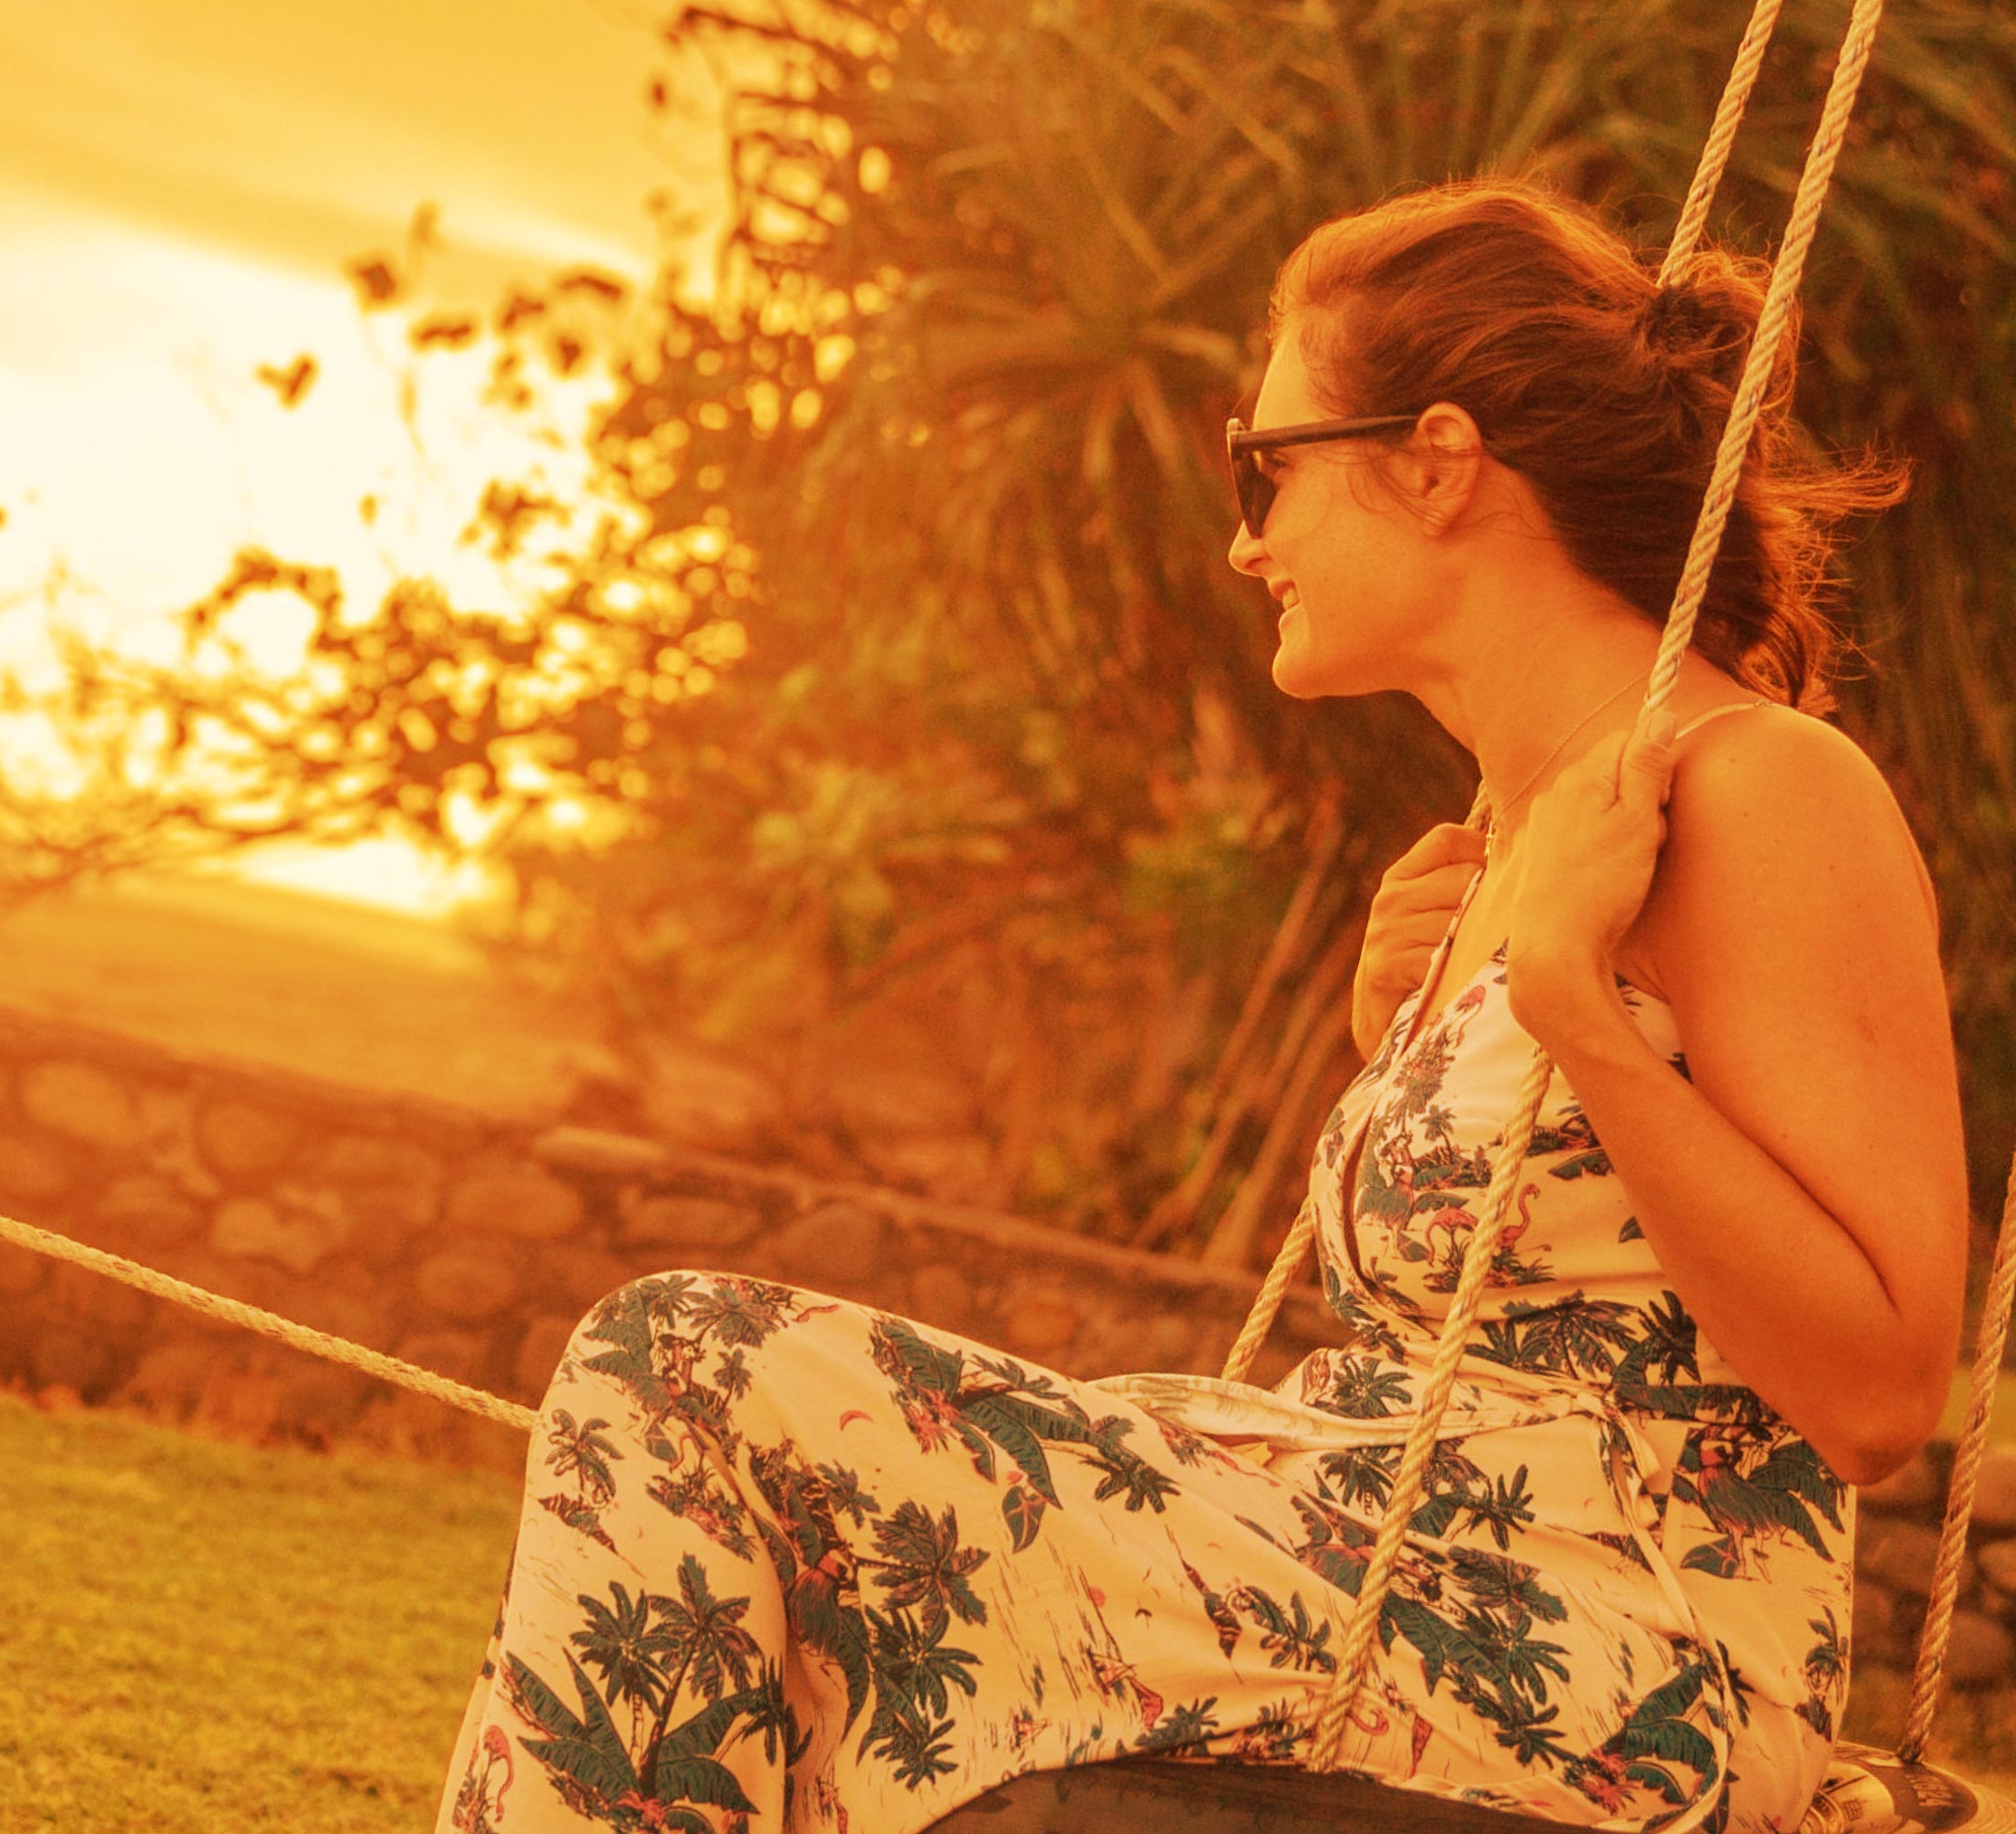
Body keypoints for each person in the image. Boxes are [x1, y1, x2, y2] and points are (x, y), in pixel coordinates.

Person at [435, 177, 1964, 1833]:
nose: (1248, 538)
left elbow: (1879, 1393)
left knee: (680, 1365)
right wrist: (1425, 1027)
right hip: (1382, 1561)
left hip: (1606, 1642)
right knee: (724, 1513)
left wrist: (1577, 1016)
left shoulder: (1757, 792)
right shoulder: (1506, 844)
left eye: (1271, 465)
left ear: (1440, 463)